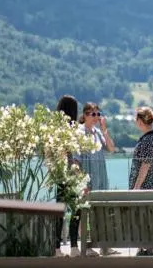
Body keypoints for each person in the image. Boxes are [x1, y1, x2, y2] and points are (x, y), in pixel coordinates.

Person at [75, 102, 118, 256]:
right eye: (93, 114)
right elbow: (76, 160)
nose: (96, 117)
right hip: (87, 180)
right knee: (85, 213)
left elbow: (112, 149)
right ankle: (86, 247)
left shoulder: (97, 133)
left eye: (98, 114)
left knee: (101, 212)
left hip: (100, 179)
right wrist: (81, 182)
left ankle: (104, 245)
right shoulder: (79, 132)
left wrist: (104, 130)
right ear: (85, 115)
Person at [129, 106, 153, 256]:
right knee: (150, 215)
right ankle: (148, 247)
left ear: (140, 121)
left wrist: (136, 188)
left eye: (136, 119)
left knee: (143, 216)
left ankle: (147, 247)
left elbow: (145, 165)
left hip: (145, 185)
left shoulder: (148, 140)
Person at [53, 95, 80, 257]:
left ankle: (57, 248)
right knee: (77, 209)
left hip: (59, 174)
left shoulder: (56, 128)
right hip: (70, 175)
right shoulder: (70, 129)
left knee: (60, 211)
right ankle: (74, 246)